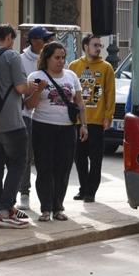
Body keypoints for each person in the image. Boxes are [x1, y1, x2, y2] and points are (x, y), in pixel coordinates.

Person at [24, 41, 88, 222]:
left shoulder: (71, 76)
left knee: (63, 169)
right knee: (45, 168)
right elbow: (29, 105)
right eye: (56, 58)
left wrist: (84, 125)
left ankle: (58, 207)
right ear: (47, 58)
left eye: (63, 58)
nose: (60, 61)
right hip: (43, 127)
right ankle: (46, 208)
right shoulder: (36, 76)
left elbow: (79, 102)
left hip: (67, 129)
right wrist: (39, 90)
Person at [0, 24, 33, 229]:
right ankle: (5, 210)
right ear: (9, 37)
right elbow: (21, 87)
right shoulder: (12, 57)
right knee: (18, 163)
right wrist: (33, 86)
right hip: (11, 121)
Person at [70, 34, 115, 202]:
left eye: (99, 45)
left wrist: (108, 116)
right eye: (95, 45)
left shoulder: (106, 67)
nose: (98, 48)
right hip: (78, 121)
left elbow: (110, 92)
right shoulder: (74, 66)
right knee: (79, 157)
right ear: (85, 46)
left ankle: (91, 191)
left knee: (95, 159)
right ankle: (83, 188)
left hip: (96, 121)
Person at [17, 25, 53, 209]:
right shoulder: (21, 60)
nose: (47, 42)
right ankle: (24, 192)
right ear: (33, 40)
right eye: (44, 39)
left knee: (45, 156)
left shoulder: (51, 60)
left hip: (48, 115)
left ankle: (50, 197)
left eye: (48, 39)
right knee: (25, 155)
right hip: (26, 114)